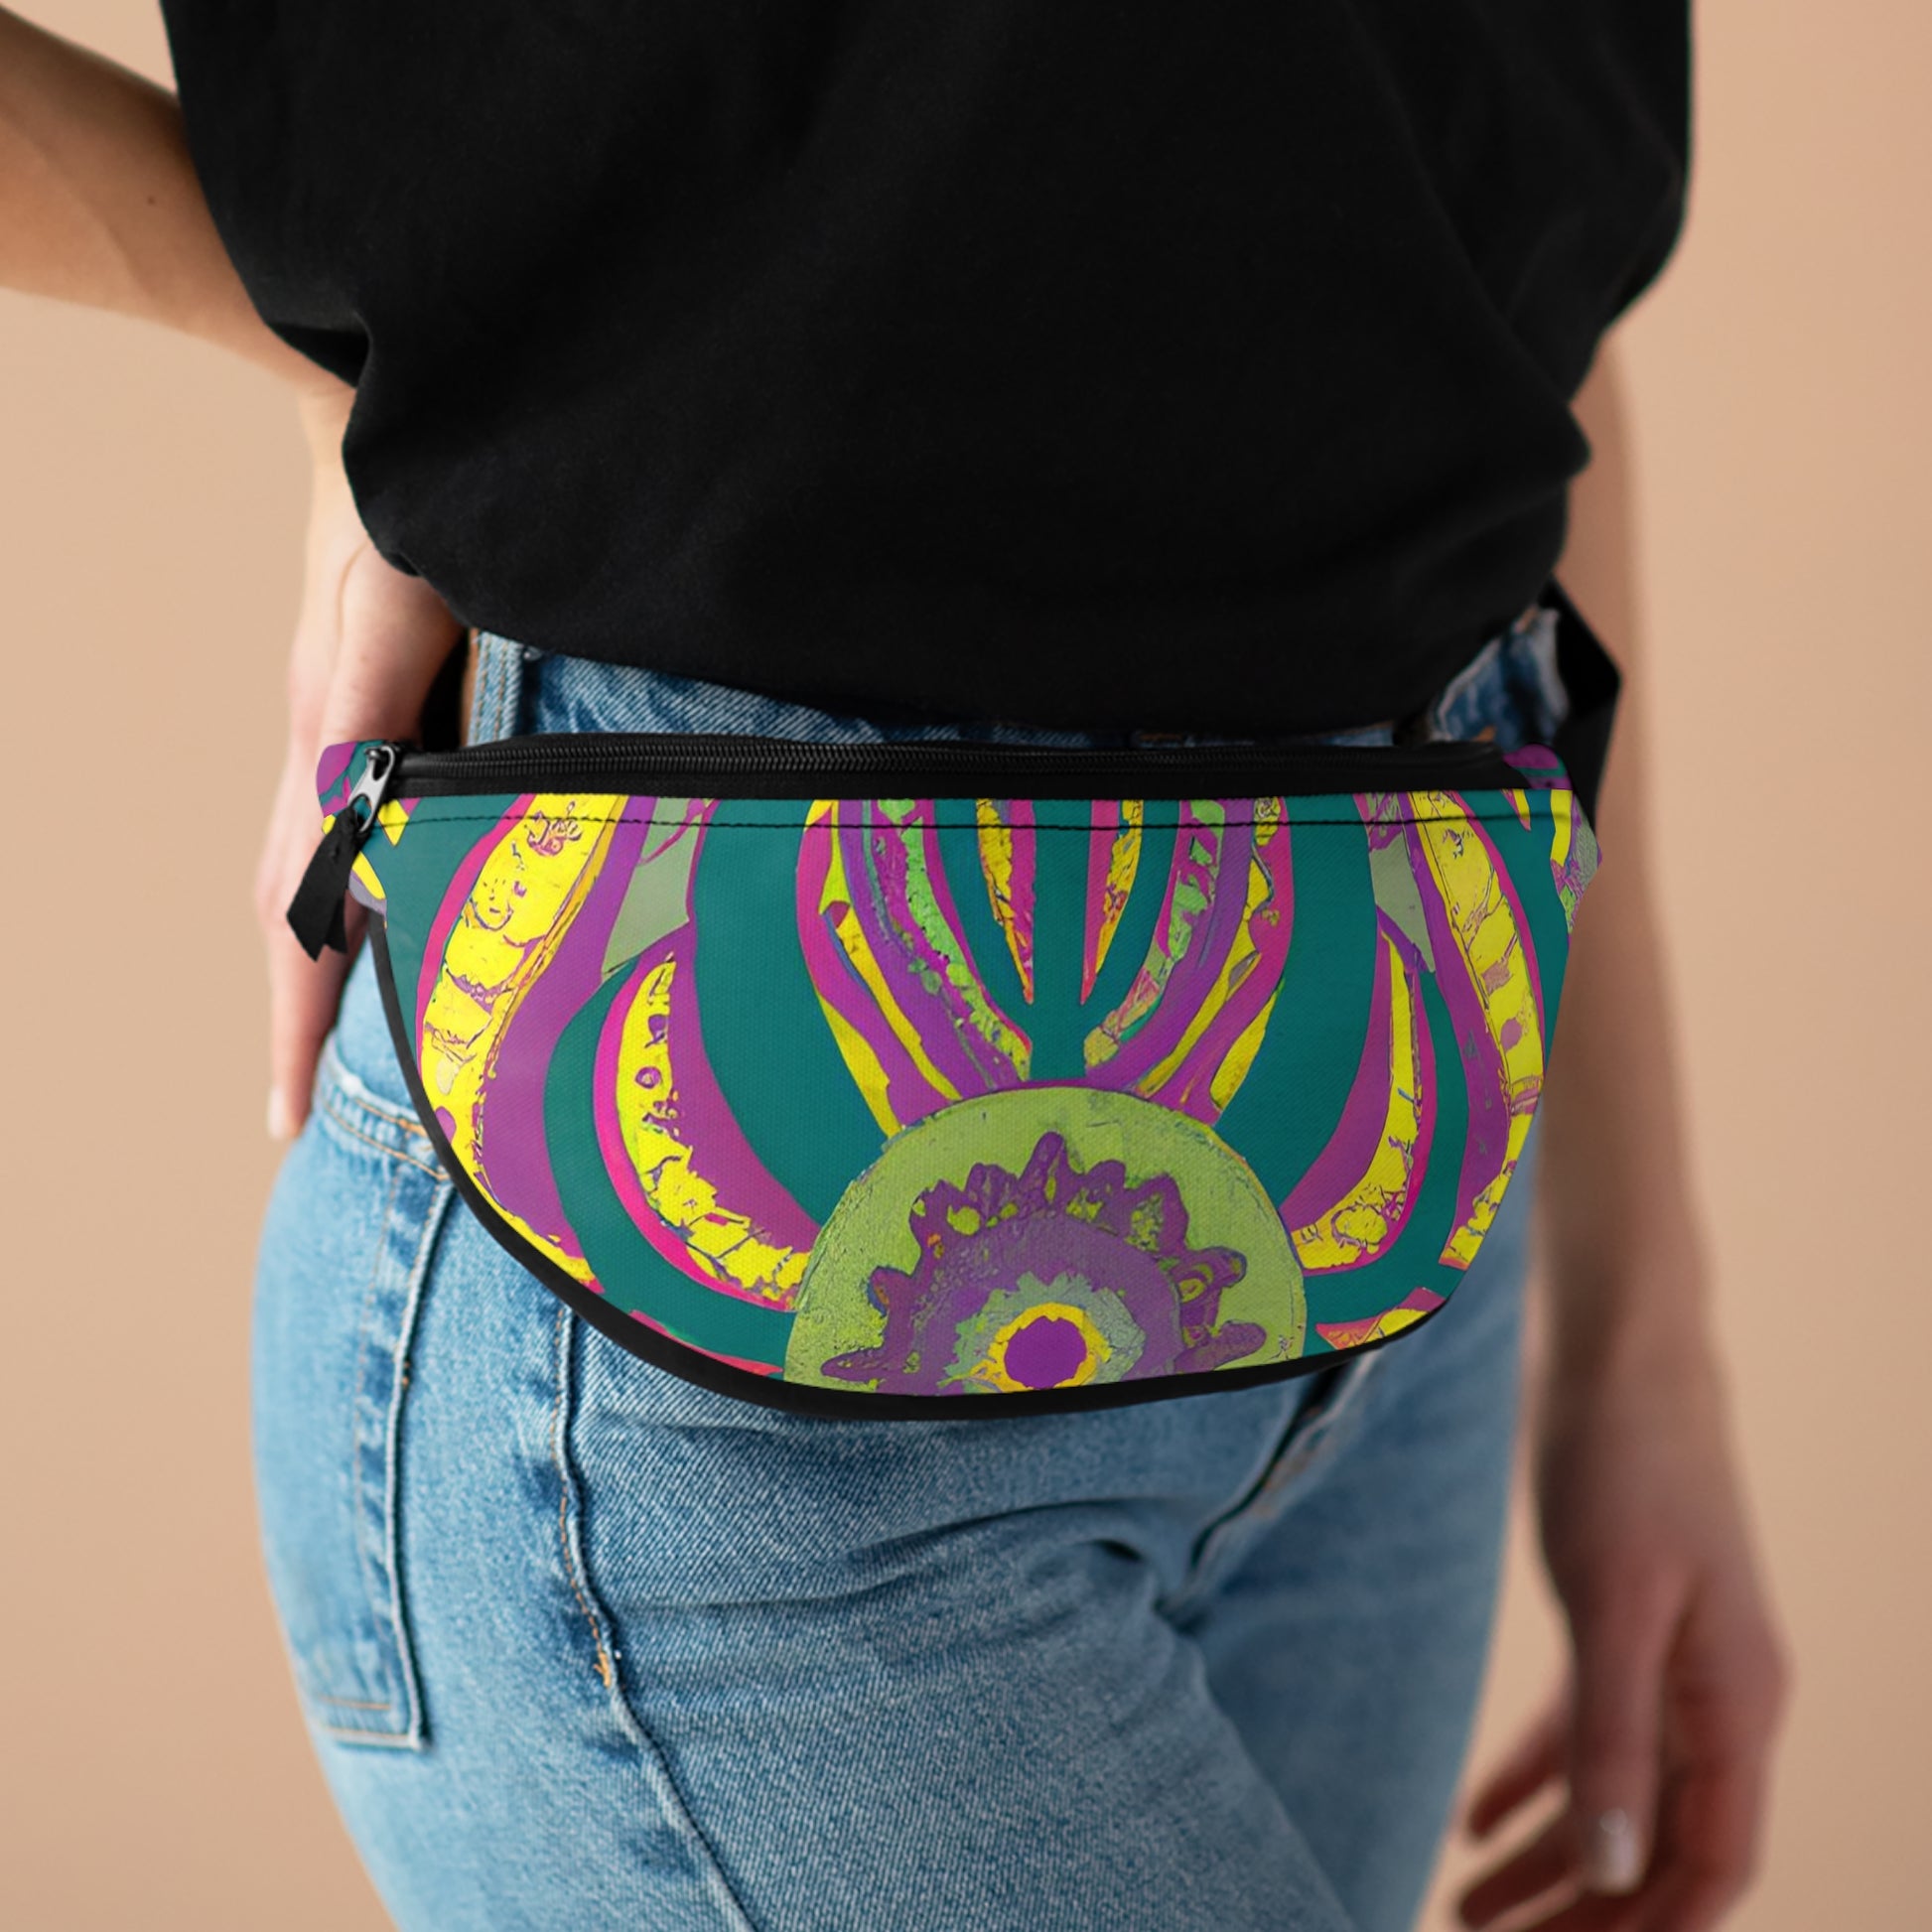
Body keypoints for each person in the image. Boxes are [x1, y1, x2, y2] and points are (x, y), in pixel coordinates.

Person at [1, 8, 1788, 1928]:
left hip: (1403, 1150)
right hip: (710, 1352)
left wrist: (1641, 1332)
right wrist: (346, 377)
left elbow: (1505, 270)